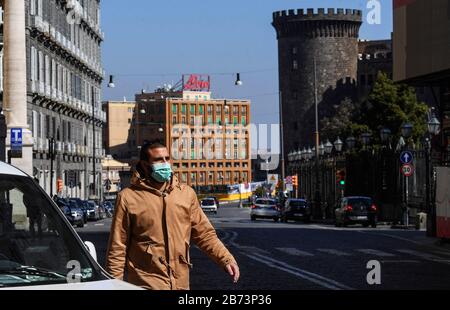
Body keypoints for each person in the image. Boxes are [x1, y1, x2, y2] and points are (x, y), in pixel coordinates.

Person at [106, 141, 240, 290]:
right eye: (158, 160)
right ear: (144, 165)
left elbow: (204, 234)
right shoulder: (128, 198)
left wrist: (226, 259)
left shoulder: (186, 194)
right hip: (145, 283)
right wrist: (114, 285)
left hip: (180, 283)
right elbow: (117, 247)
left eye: (167, 158)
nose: (165, 163)